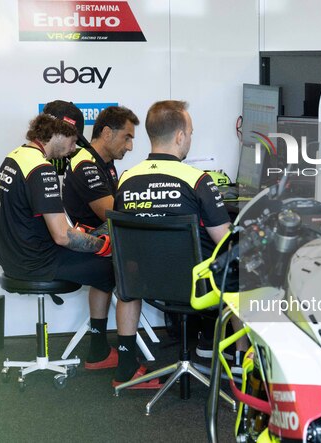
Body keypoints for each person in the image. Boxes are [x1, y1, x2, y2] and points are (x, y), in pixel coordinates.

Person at [112, 100, 234, 387]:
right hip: (195, 286)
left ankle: (126, 367)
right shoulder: (197, 180)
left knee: (127, 274)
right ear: (180, 136)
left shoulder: (126, 180)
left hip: (141, 284)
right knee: (241, 264)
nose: (190, 137)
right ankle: (239, 360)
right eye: (190, 132)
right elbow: (226, 240)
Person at [0, 107, 116, 370]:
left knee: (93, 251)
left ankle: (99, 348)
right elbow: (61, 236)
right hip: (36, 261)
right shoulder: (40, 169)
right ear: (60, 132)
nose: (73, 149)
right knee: (111, 270)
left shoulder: (14, 157)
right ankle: (99, 352)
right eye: (73, 141)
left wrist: (84, 236)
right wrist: (101, 245)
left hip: (14, 257)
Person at [62, 105, 139, 228]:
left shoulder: (107, 163)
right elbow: (115, 218)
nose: (130, 147)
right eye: (126, 138)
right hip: (87, 245)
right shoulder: (85, 165)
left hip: (101, 242)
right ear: (107, 133)